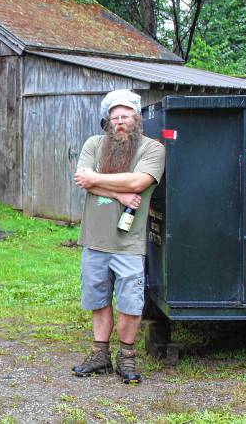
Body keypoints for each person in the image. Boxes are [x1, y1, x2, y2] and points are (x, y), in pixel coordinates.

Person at [71, 89, 165, 384]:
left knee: (129, 303)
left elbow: (139, 180)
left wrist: (96, 180)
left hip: (129, 243)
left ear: (137, 118)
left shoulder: (152, 149)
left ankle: (126, 356)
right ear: (107, 121)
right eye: (114, 117)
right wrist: (119, 193)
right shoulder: (94, 144)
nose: (120, 122)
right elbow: (81, 180)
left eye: (125, 116)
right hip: (94, 239)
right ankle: (100, 355)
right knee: (97, 298)